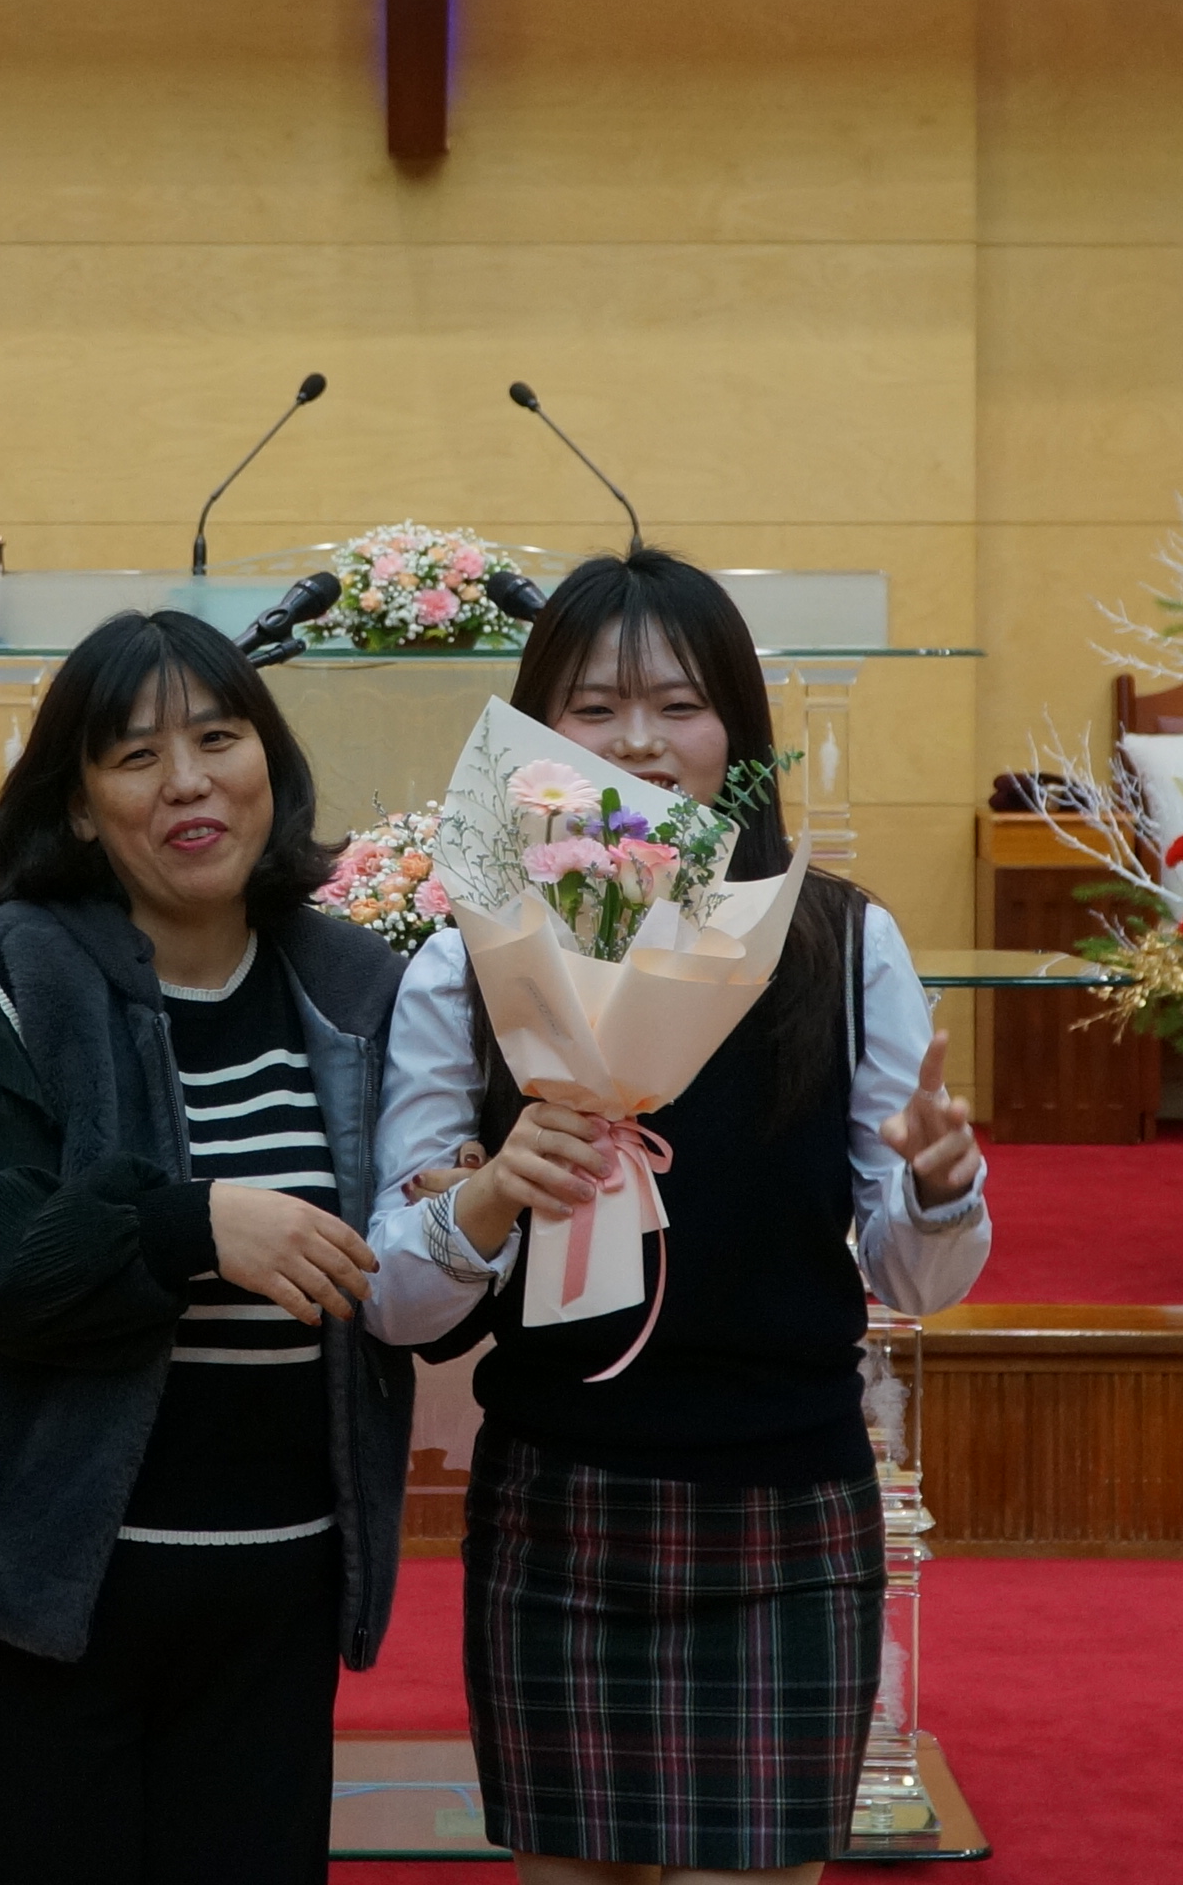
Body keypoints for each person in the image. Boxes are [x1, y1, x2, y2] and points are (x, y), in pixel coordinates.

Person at [362, 549, 992, 1885]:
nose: (639, 742)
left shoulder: (837, 947)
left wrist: (940, 1188)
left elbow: (915, 1278)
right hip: (559, 1506)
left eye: (680, 704)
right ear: (534, 740)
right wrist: (489, 1191)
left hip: (787, 1499)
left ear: (737, 734)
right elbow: (399, 1302)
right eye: (593, 708)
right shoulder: (463, 965)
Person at [0, 608, 413, 1884]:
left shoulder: (353, 981)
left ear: (268, 759)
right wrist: (193, 1224)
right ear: (79, 802)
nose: (188, 782)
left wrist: (471, 1202)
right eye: (136, 755)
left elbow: (408, 1256)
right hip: (40, 1599)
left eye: (217, 738)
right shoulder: (2, 975)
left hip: (275, 1590)